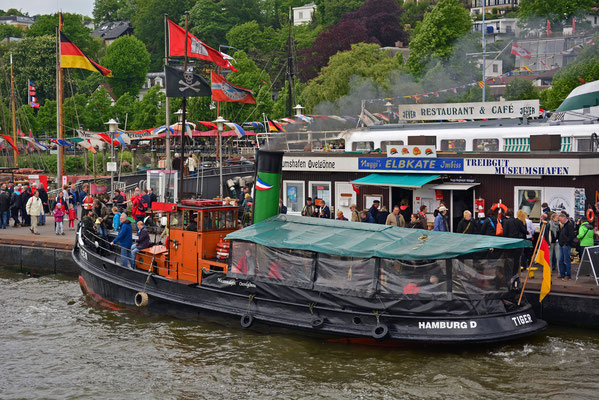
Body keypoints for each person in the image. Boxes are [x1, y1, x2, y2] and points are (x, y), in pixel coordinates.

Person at [558, 212, 575, 280]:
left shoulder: (569, 225)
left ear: (564, 218)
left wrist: (566, 242)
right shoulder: (564, 225)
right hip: (562, 244)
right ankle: (562, 274)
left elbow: (571, 236)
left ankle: (568, 275)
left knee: (566, 260)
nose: (560, 221)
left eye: (560, 220)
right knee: (560, 260)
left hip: (566, 245)